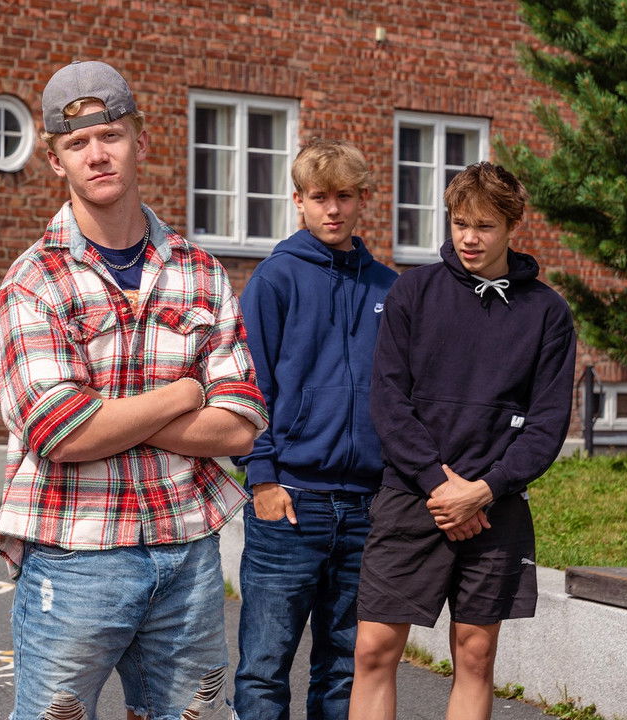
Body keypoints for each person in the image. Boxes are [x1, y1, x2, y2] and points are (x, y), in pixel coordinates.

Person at [0, 60, 268, 720]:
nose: (97, 154)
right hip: (74, 555)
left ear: (140, 140)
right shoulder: (34, 282)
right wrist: (182, 394)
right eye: (77, 143)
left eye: (110, 135)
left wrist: (109, 416)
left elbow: (240, 424)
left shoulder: (200, 272)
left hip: (186, 552)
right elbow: (60, 433)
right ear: (55, 161)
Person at [348, 162, 576, 720]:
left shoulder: (547, 312)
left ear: (513, 226)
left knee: (476, 655)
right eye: (459, 223)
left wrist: (483, 491)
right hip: (413, 496)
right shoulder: (413, 291)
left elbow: (547, 424)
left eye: (485, 226)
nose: (469, 238)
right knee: (374, 649)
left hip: (495, 506)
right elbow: (389, 402)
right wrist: (441, 485)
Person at [233, 139, 397, 720]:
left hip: (366, 507)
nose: (333, 209)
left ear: (363, 200)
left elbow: (402, 395)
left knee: (345, 667)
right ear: (298, 200)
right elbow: (248, 387)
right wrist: (262, 479)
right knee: (264, 667)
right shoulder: (274, 279)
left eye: (345, 196)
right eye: (320, 197)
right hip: (290, 503)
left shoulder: (388, 288)